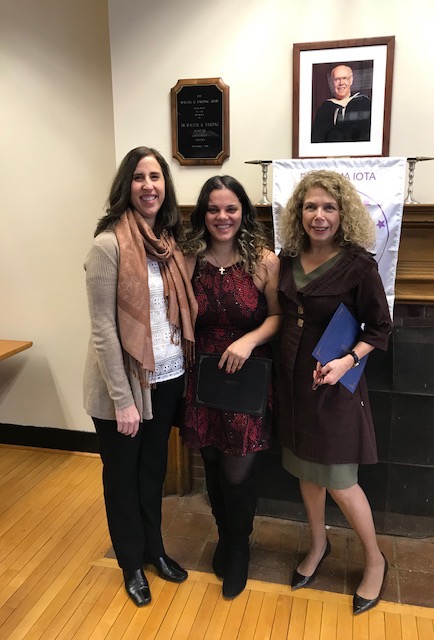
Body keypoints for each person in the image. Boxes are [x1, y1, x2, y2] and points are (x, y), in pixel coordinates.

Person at [83, 146, 198, 607]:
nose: (148, 185)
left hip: (166, 378)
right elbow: (103, 329)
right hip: (125, 389)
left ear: (165, 185)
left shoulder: (168, 243)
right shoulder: (107, 245)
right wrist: (122, 400)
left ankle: (156, 551)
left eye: (156, 176)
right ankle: (131, 563)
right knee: (122, 479)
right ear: (125, 187)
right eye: (138, 177)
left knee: (152, 474)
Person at [277, 170, 392, 615]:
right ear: (299, 213)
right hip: (294, 378)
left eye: (328, 207)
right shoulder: (288, 259)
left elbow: (379, 327)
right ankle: (319, 543)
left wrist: (348, 359)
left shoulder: (358, 264)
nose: (319, 216)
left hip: (337, 380)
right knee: (307, 472)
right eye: (310, 207)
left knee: (342, 482)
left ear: (343, 213)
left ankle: (375, 560)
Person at [180, 176, 281, 599]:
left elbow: (276, 317)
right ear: (203, 213)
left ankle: (239, 548)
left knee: (238, 471)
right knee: (213, 466)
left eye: (231, 209)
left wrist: (248, 339)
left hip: (246, 379)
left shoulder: (264, 261)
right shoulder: (187, 260)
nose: (223, 217)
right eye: (214, 209)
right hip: (201, 380)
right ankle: (225, 537)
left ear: (243, 212)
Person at [311, 64, 371, 143]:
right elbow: (316, 139)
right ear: (332, 82)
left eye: (344, 78)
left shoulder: (364, 104)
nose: (341, 83)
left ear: (351, 80)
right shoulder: (324, 109)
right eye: (337, 79)